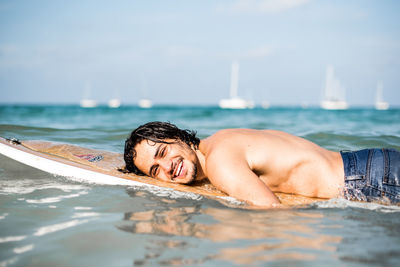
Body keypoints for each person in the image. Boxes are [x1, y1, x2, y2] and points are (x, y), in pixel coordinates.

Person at [122, 121, 400, 207]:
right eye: (155, 171)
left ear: (177, 137)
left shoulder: (220, 163)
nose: (167, 167)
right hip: (367, 162)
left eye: (162, 152)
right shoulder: (222, 138)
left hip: (366, 180)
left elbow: (272, 213)